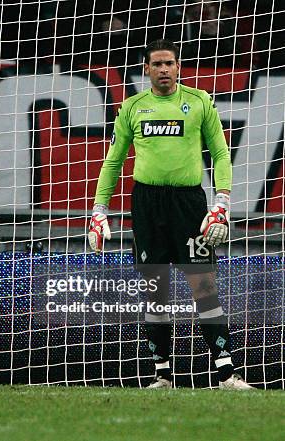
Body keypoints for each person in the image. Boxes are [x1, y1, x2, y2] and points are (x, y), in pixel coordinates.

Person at [87, 39, 253, 390]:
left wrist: (220, 204)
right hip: (147, 204)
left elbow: (221, 155)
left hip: (189, 204)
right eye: (157, 64)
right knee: (154, 291)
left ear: (179, 67)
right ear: (146, 69)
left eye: (170, 63)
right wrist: (99, 210)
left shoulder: (199, 102)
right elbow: (113, 161)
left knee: (203, 288)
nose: (164, 69)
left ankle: (227, 375)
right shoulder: (132, 107)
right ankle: (162, 376)